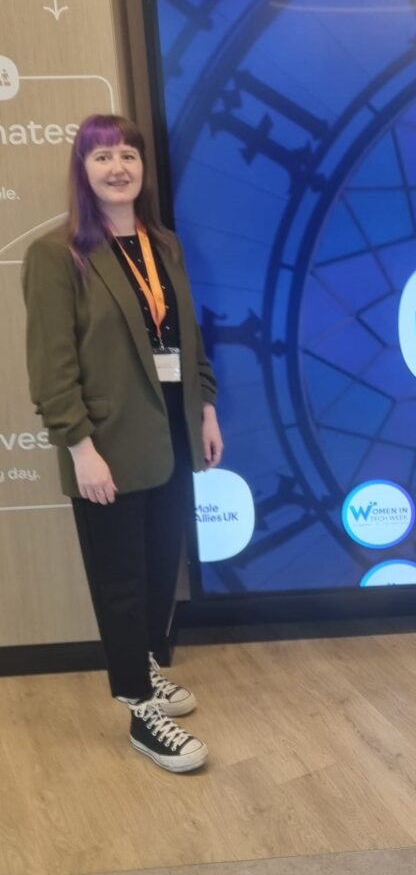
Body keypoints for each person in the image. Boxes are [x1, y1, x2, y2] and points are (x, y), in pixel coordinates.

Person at [23, 114, 224, 773]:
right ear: (83, 171)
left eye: (127, 156)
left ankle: (145, 662)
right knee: (119, 581)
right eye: (102, 157)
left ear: (142, 168)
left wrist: (205, 408)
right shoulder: (58, 255)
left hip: (170, 429)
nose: (118, 168)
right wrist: (79, 447)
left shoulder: (163, 244)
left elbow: (186, 337)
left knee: (159, 564)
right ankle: (140, 713)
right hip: (106, 443)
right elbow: (52, 368)